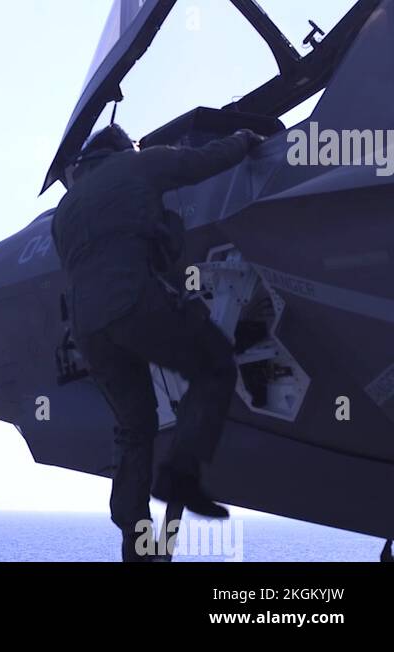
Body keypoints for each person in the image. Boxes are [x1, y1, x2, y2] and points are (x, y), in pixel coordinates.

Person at [50, 123, 265, 561]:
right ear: (122, 148)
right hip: (133, 303)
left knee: (135, 426)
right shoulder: (138, 164)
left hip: (89, 329)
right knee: (214, 367)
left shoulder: (64, 210)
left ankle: (135, 533)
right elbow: (201, 162)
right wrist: (244, 139)